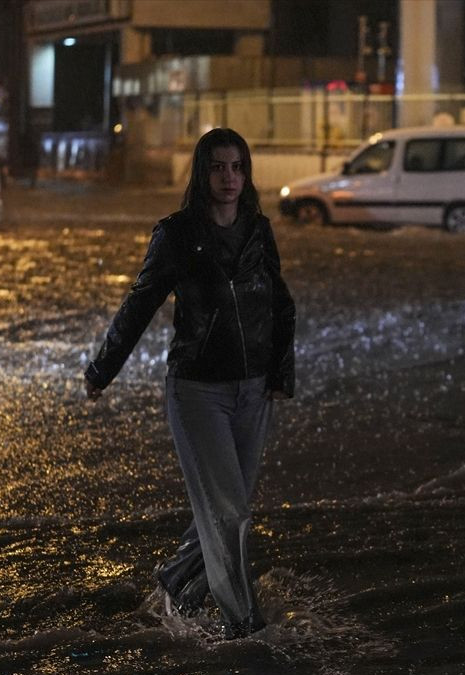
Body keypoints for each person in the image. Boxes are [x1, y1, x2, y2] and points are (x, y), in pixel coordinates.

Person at [84, 128, 296, 639]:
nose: (229, 177)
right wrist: (102, 369)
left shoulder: (258, 230)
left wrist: (279, 373)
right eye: (218, 167)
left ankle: (177, 583)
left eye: (237, 167)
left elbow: (280, 303)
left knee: (228, 506)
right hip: (198, 390)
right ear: (202, 174)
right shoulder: (176, 234)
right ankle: (243, 624)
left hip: (253, 389)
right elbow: (140, 304)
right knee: (229, 513)